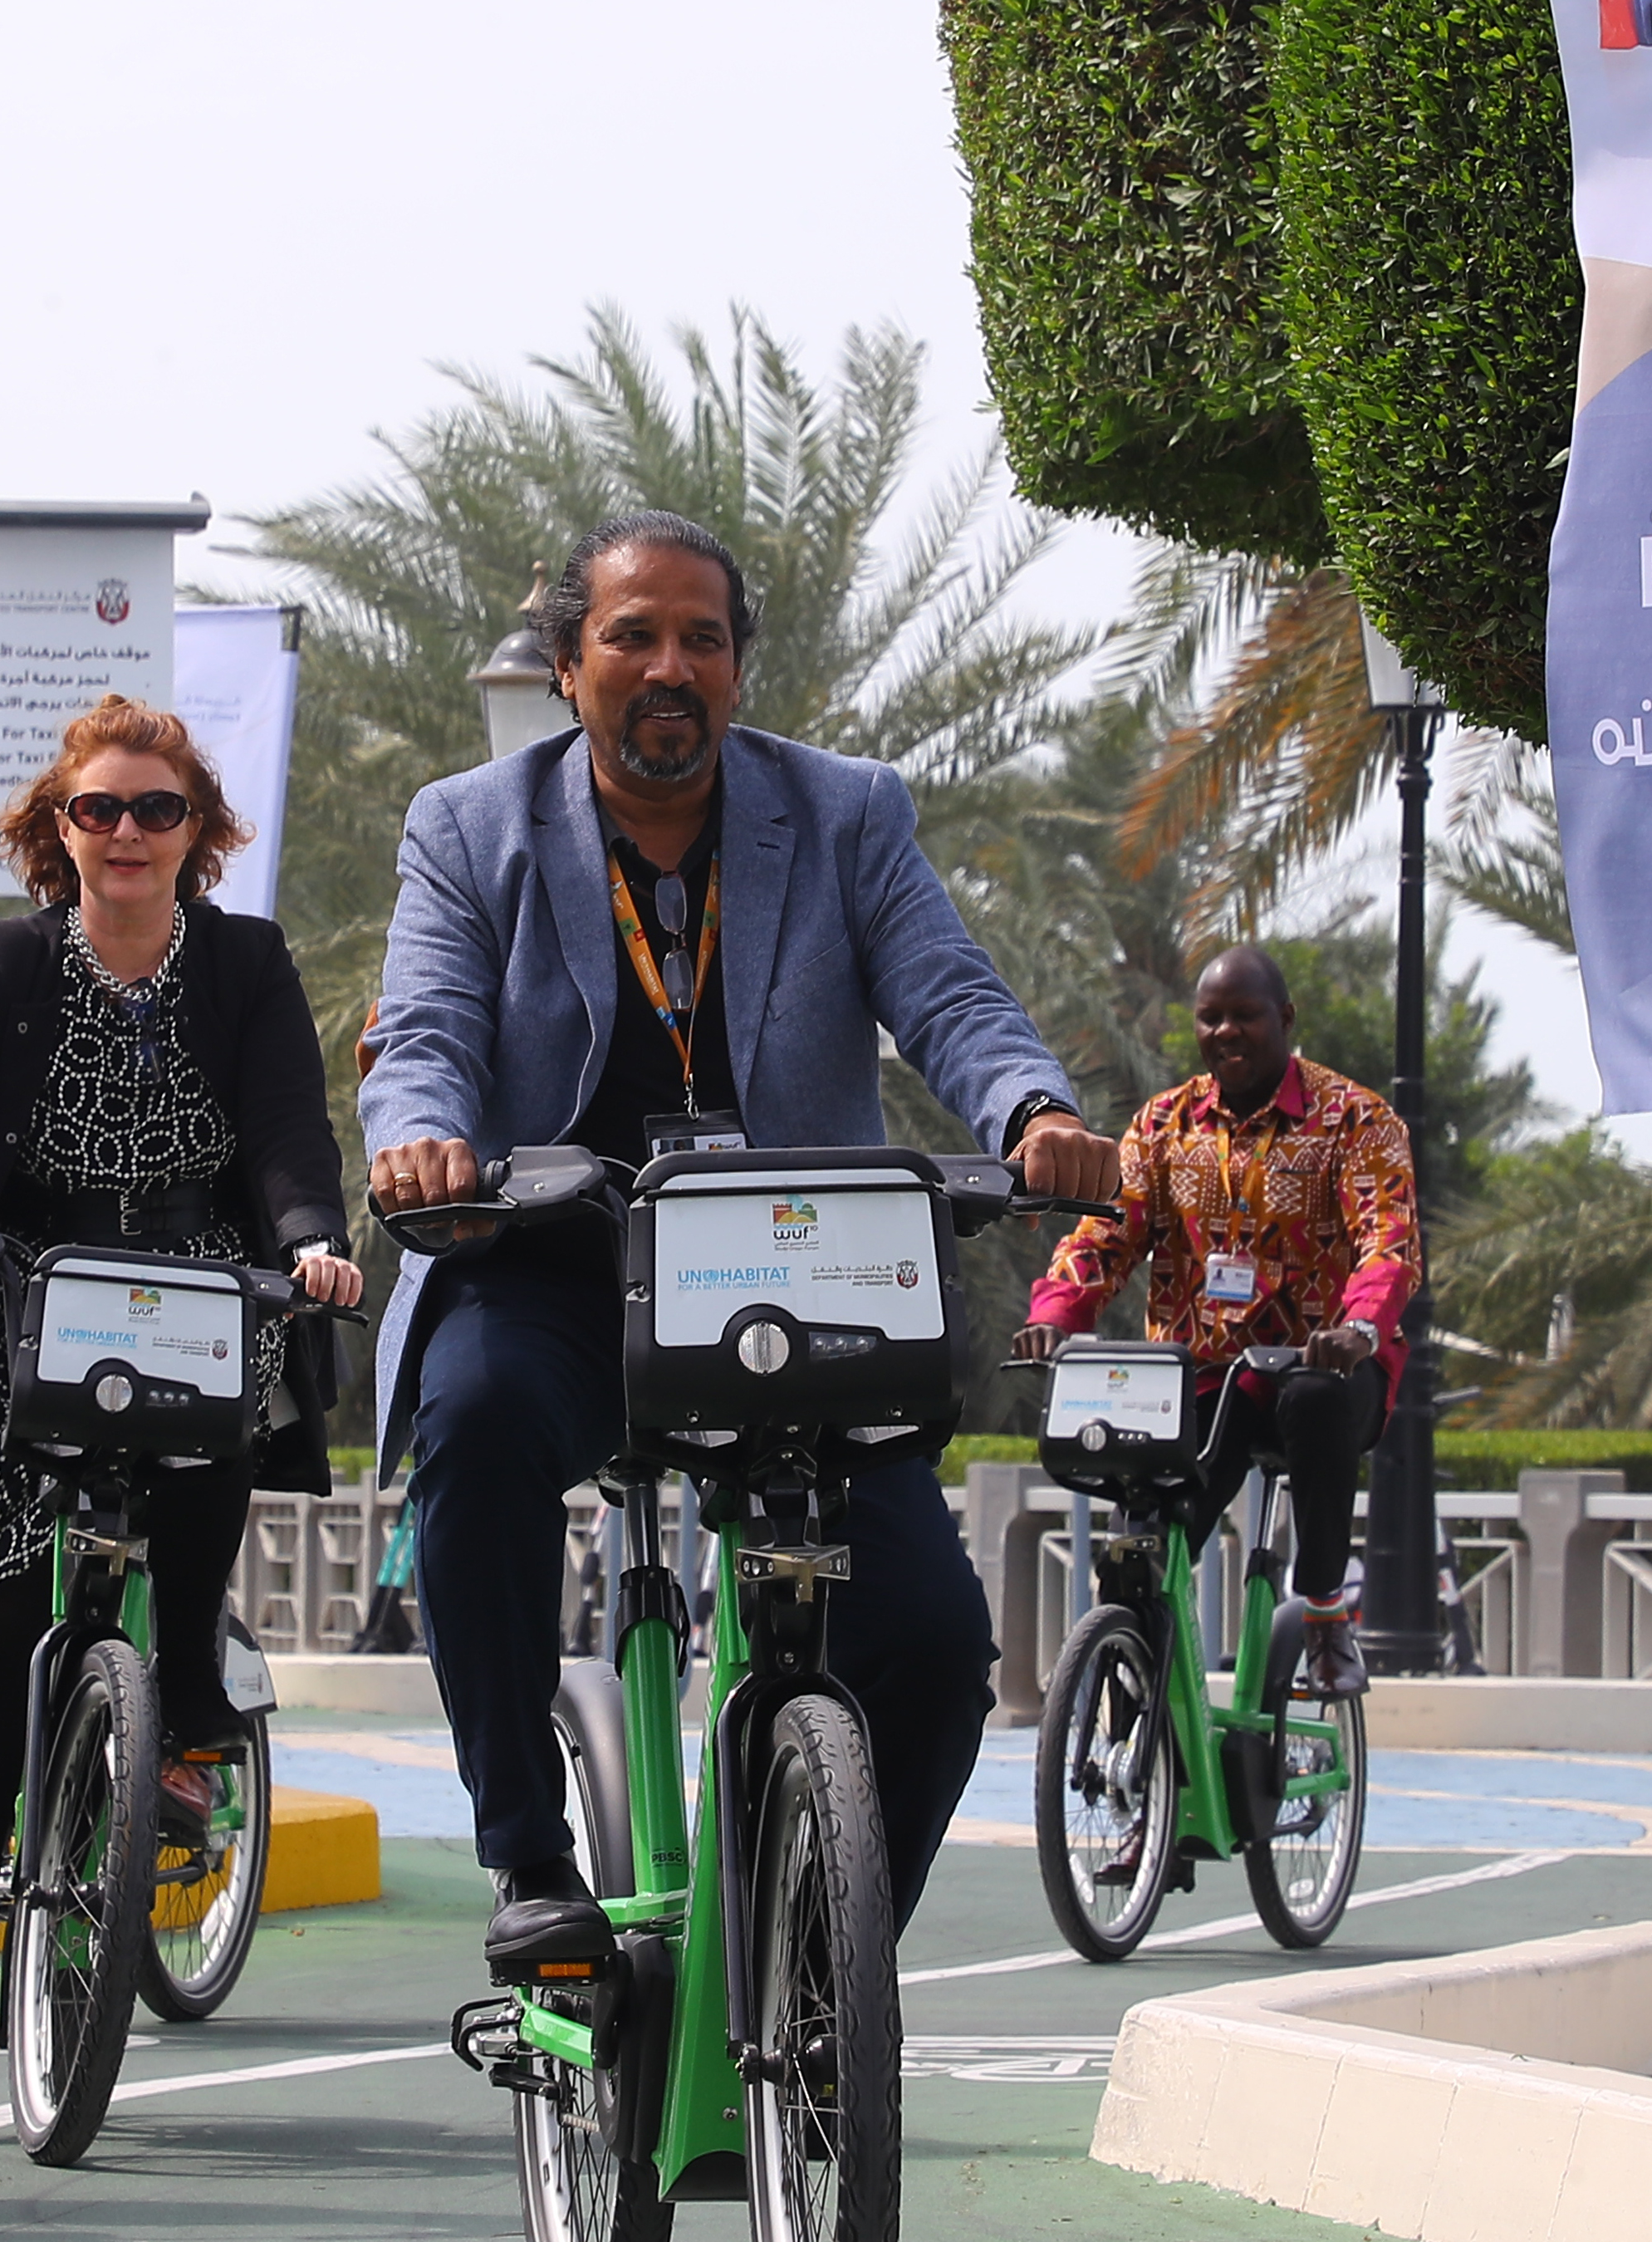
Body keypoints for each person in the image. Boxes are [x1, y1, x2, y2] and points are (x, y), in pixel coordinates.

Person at [361, 510, 1124, 1965]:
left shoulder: (845, 812)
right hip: (557, 1266)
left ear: (738, 668)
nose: (669, 665)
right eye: (633, 635)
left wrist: (1031, 1111)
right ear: (570, 665)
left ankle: (817, 1972)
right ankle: (528, 1860)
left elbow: (949, 992)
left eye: (702, 638)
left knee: (927, 1642)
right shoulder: (468, 826)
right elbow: (426, 1031)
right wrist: (423, 1138)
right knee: (479, 1432)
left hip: (790, 1276)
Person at [0, 696, 362, 2043]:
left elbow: (294, 1137)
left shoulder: (246, 964)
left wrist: (310, 1244)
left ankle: (185, 1687)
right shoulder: (2, 964)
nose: (127, 834)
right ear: (55, 831)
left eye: (157, 810)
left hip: (197, 1281)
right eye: (98, 810)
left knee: (208, 1441)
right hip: (27, 1295)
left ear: (200, 832)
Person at [1013, 942, 1421, 1697]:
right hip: (1208, 1380)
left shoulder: (1356, 1121)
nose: (1227, 1032)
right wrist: (1057, 1315)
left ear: (1286, 1019)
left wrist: (1357, 1329)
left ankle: (1327, 1611)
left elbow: (1388, 1242)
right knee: (1149, 1539)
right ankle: (1139, 1695)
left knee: (1314, 1398)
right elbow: (1107, 1234)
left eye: (1245, 1016)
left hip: (1320, 1372)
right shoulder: (1165, 1125)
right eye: (1211, 1019)